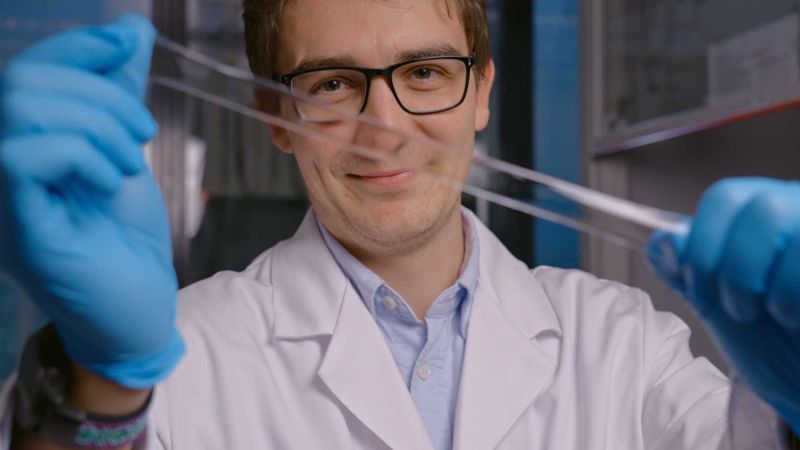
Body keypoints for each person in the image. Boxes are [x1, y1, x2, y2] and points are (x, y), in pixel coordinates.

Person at [0, 1, 799, 449]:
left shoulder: (623, 345)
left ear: (482, 92)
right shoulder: (168, 364)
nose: (385, 128)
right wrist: (103, 387)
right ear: (276, 116)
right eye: (335, 84)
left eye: (424, 73)